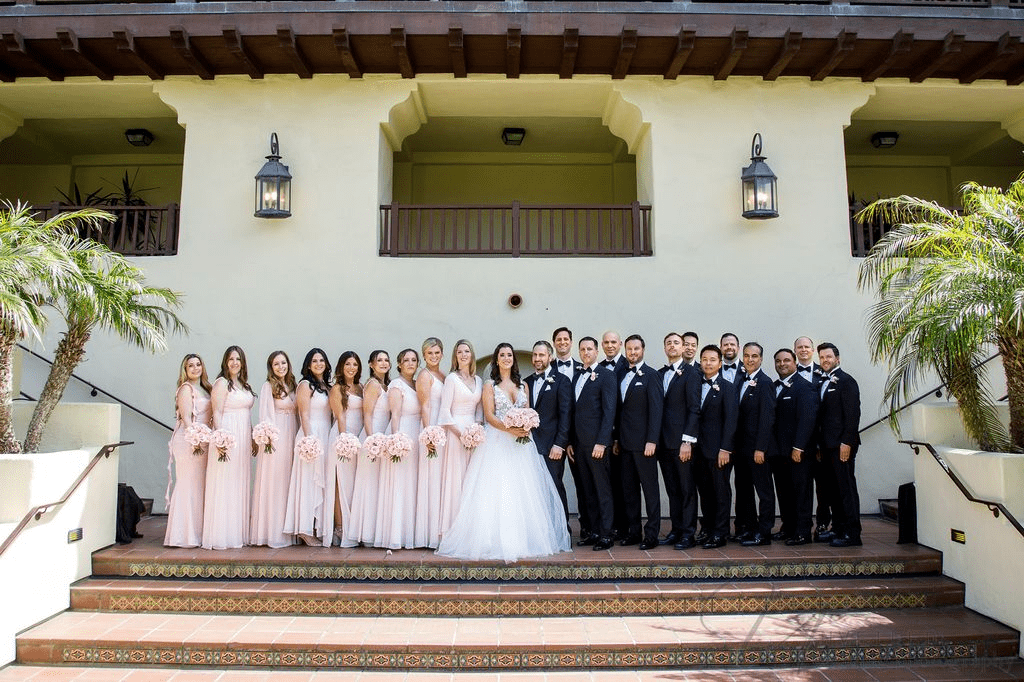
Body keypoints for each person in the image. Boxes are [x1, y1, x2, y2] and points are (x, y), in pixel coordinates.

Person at [436, 342, 571, 562]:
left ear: (513, 360)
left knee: (523, 490)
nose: (506, 358)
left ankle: (524, 538)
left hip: (522, 444)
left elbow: (527, 411)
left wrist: (524, 426)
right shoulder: (489, 385)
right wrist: (509, 428)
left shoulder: (523, 386)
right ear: (496, 360)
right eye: (502, 355)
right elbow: (489, 415)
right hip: (497, 442)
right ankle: (491, 539)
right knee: (497, 490)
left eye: (509, 355)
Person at [613, 334, 664, 551]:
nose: (632, 353)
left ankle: (651, 535)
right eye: (629, 349)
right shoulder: (621, 374)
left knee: (650, 491)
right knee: (629, 491)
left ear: (643, 350)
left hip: (645, 445)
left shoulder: (652, 375)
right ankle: (634, 532)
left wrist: (652, 440)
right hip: (624, 444)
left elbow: (656, 411)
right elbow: (618, 411)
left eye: (636, 349)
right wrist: (616, 439)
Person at [202, 346, 255, 550]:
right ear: (225, 362)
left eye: (238, 359)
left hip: (243, 437)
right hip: (228, 436)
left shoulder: (243, 385)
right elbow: (216, 411)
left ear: (243, 362)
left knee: (239, 482)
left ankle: (238, 533)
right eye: (231, 359)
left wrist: (251, 438)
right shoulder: (221, 383)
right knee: (225, 483)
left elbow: (247, 415)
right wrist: (221, 439)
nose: (234, 363)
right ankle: (222, 535)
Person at [569, 336, 617, 551]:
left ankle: (607, 534)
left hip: (597, 445)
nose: (586, 352)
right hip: (579, 445)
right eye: (582, 349)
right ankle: (593, 531)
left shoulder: (607, 376)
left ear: (596, 351)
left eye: (589, 349)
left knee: (602, 490)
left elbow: (609, 412)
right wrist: (570, 441)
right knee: (587, 490)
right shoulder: (576, 375)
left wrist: (602, 442)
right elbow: (573, 412)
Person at [283, 348, 333, 546]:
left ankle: (317, 525)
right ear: (308, 365)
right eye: (315, 361)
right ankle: (304, 528)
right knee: (307, 481)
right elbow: (303, 414)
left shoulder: (327, 386)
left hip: (326, 433)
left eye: (322, 360)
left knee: (320, 481)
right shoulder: (305, 385)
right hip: (310, 435)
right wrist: (309, 440)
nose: (319, 363)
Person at [250, 351, 298, 549]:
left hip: (292, 434)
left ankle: (289, 530)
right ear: (271, 367)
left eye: (284, 363)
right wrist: (268, 439)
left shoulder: (293, 386)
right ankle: (272, 532)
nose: (281, 367)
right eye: (276, 364)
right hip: (276, 439)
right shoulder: (268, 386)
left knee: (288, 481)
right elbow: (265, 415)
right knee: (275, 481)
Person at [816, 342, 862, 547]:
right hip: (826, 446)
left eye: (828, 357)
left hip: (841, 446)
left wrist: (847, 442)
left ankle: (852, 534)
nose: (825, 360)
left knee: (846, 490)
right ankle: (838, 528)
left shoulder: (846, 381)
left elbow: (853, 415)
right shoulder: (821, 381)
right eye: (822, 357)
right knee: (832, 490)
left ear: (837, 359)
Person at [656, 332, 700, 550]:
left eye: (676, 343)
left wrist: (688, 441)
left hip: (682, 444)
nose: (672, 346)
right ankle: (676, 529)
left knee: (686, 489)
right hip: (663, 443)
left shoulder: (692, 373)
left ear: (684, 348)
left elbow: (694, 409)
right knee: (672, 489)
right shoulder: (660, 373)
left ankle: (688, 534)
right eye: (668, 343)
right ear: (664, 348)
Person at [164, 354, 213, 548]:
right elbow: (186, 418)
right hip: (188, 439)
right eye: (190, 365)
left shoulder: (206, 388)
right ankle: (183, 535)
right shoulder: (186, 389)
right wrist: (195, 439)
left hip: (203, 439)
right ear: (185, 370)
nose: (195, 368)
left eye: (198, 364)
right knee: (188, 484)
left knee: (200, 486)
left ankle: (198, 533)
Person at [524, 340, 573, 533]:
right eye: (535, 355)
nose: (537, 358)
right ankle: (540, 532)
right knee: (534, 490)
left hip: (552, 446)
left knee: (555, 488)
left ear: (550, 357)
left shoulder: (562, 381)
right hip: (529, 446)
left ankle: (562, 531)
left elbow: (565, 414)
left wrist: (560, 444)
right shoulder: (526, 382)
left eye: (542, 355)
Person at [771, 348, 818, 546]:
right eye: (778, 361)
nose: (782, 364)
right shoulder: (773, 387)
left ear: (795, 362)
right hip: (778, 452)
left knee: (801, 492)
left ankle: (803, 531)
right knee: (784, 492)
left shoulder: (804, 387)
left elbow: (807, 420)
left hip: (797, 452)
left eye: (786, 360)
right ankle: (788, 527)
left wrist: (798, 447)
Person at [732, 342, 776, 546]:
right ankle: (748, 528)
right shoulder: (741, 379)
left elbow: (767, 418)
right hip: (741, 449)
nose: (750, 359)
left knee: (764, 492)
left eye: (755, 356)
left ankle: (764, 532)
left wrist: (761, 448)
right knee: (744, 491)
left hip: (757, 449)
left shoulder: (765, 382)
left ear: (761, 359)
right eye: (747, 356)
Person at [437, 339, 483, 536]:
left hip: (475, 435)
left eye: (466, 351)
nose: (463, 355)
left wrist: (476, 431)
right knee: (456, 481)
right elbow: (445, 412)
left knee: (473, 480)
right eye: (459, 352)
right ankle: (453, 529)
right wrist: (461, 435)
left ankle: (471, 527)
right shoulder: (451, 379)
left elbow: (480, 410)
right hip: (456, 434)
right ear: (455, 356)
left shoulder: (479, 380)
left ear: (471, 355)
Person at [694, 344, 738, 549]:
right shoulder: (695, 384)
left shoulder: (728, 387)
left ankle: (720, 533)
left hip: (719, 450)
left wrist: (725, 449)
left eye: (712, 360)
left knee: (720, 491)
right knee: (705, 491)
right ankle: (709, 528)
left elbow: (731, 421)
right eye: (704, 359)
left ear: (720, 363)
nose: (708, 363)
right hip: (699, 450)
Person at [376, 348, 420, 549]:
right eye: (406, 360)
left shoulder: (417, 384)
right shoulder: (396, 385)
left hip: (416, 436)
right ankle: (395, 535)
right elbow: (394, 415)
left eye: (414, 360)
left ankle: (410, 532)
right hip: (402, 434)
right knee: (399, 485)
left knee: (411, 486)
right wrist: (395, 441)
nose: (410, 363)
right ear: (399, 364)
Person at [346, 350, 391, 546]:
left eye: (386, 360)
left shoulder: (386, 385)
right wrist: (372, 440)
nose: (383, 363)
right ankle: (367, 533)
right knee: (370, 484)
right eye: (379, 360)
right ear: (371, 365)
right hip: (373, 436)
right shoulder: (373, 385)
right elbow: (367, 414)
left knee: (379, 484)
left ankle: (378, 530)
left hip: (384, 436)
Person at [795, 335, 834, 543]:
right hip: (799, 445)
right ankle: (801, 527)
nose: (803, 350)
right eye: (799, 347)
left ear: (812, 351)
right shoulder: (789, 377)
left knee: (824, 488)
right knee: (801, 488)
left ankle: (822, 524)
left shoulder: (825, 374)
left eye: (806, 347)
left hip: (821, 443)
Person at [329, 351, 363, 548]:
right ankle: (340, 528)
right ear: (341, 367)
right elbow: (340, 417)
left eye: (355, 364)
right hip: (343, 437)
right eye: (348, 364)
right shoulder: (337, 389)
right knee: (341, 483)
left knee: (353, 486)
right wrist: (344, 441)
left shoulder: (361, 387)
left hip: (358, 438)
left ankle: (355, 527)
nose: (352, 368)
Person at [415, 338, 445, 549]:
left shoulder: (442, 375)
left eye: (437, 353)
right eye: (429, 353)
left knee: (441, 480)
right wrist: (429, 434)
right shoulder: (424, 376)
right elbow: (425, 406)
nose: (433, 356)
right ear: (424, 356)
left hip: (443, 430)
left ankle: (441, 528)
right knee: (431, 480)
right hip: (431, 427)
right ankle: (429, 533)